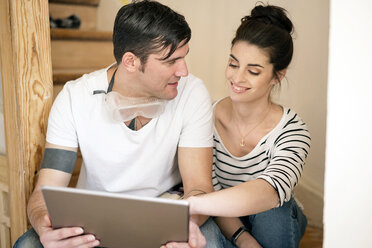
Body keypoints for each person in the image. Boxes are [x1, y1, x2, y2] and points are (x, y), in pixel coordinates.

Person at [14, 1, 218, 247]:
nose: (183, 71)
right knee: (27, 244)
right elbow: (44, 191)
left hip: (165, 218)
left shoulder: (192, 92)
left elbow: (199, 187)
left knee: (210, 242)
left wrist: (187, 223)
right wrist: (44, 227)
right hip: (93, 223)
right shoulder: (74, 97)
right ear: (131, 62)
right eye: (170, 61)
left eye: (184, 58)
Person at [185, 4, 311, 248]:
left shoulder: (293, 130)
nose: (237, 78)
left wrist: (191, 204)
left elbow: (270, 192)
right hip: (219, 216)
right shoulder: (203, 117)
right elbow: (207, 189)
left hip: (272, 214)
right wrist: (242, 238)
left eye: (252, 71)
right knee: (204, 235)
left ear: (278, 76)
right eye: (233, 64)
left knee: (275, 212)